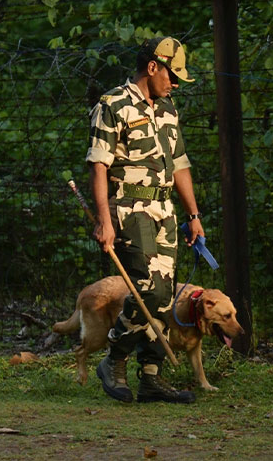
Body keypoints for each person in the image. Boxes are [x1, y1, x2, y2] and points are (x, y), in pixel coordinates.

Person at [86, 36, 205, 404]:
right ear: (152, 67)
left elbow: (180, 164)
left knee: (165, 297)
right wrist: (105, 221)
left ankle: (151, 377)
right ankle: (115, 358)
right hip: (129, 208)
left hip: (164, 210)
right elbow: (99, 164)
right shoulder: (113, 104)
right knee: (149, 288)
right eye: (172, 74)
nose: (175, 83)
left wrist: (193, 215)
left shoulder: (168, 108)